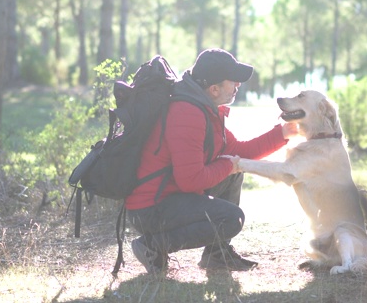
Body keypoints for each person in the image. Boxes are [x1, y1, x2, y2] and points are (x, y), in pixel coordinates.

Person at [126, 48, 298, 274]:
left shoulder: (204, 108)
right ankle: (152, 246)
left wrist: (283, 133)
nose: (238, 85)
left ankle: (217, 255)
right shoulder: (187, 113)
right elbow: (191, 180)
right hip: (150, 208)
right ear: (214, 88)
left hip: (170, 195)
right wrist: (229, 165)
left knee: (236, 171)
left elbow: (238, 151)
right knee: (231, 219)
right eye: (233, 81)